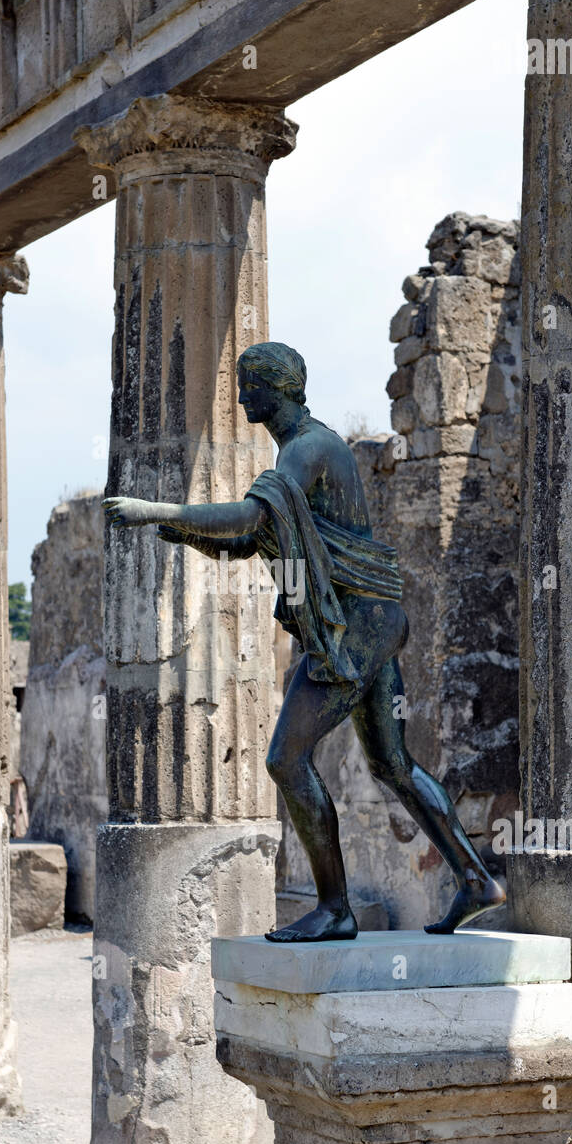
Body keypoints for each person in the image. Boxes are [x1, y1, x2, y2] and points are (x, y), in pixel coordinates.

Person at [104, 341, 505, 941]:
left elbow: (250, 521)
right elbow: (251, 539)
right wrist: (178, 530)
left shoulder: (310, 448)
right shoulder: (301, 455)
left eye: (249, 385)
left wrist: (152, 509)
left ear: (278, 388)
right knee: (392, 765)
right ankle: (475, 881)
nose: (240, 397)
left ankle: (336, 907)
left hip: (354, 629)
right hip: (371, 622)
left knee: (285, 760)